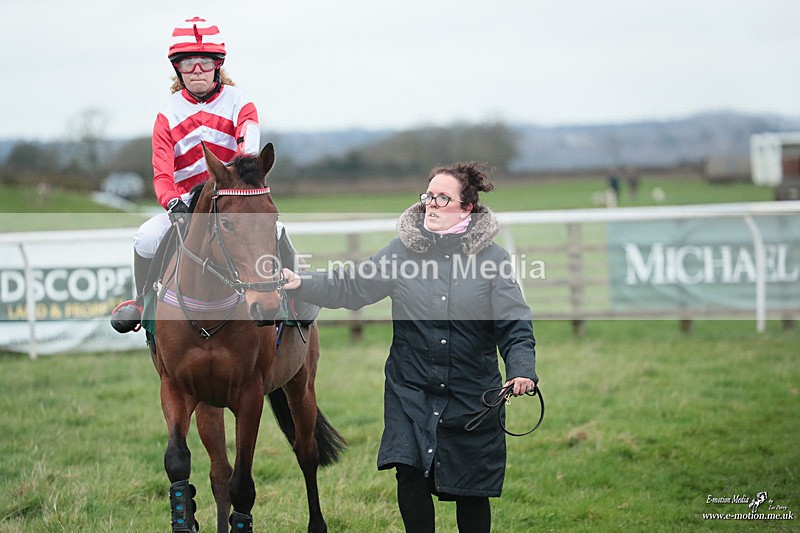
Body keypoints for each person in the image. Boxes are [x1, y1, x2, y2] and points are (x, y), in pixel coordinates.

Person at [282, 162, 539, 533]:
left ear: (467, 207)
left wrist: (521, 369)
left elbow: (514, 326)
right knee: (409, 474)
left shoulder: (493, 260)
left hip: (472, 394)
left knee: (471, 490)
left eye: (442, 198)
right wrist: (301, 283)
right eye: (428, 196)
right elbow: (353, 285)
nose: (430, 204)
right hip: (410, 390)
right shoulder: (400, 253)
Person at [111, 16, 303, 333]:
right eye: (188, 63)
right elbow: (162, 173)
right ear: (178, 69)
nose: (197, 70)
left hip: (234, 199)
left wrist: (239, 183)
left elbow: (248, 149)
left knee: (278, 230)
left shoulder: (241, 103)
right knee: (145, 237)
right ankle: (142, 302)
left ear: (217, 65)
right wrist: (173, 203)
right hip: (187, 205)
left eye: (204, 62)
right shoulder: (166, 115)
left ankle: (294, 300)